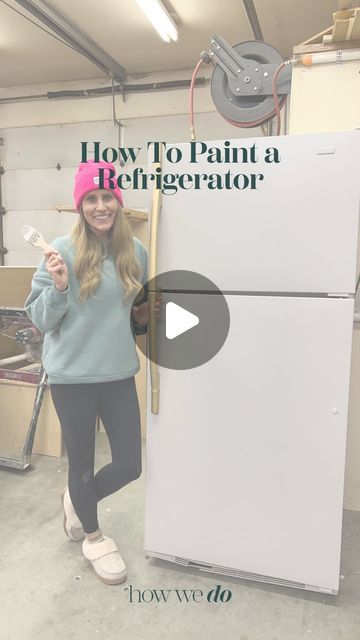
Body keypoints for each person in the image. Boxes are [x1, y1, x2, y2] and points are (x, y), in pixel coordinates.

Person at [25, 161, 156, 585]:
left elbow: (132, 318)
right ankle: (93, 535)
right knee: (81, 463)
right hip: (72, 378)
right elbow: (40, 321)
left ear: (118, 202)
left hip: (118, 372)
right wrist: (61, 287)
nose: (101, 207)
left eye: (107, 198)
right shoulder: (59, 250)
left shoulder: (135, 252)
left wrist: (141, 313)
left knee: (130, 464)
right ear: (81, 205)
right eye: (91, 199)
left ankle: (77, 500)